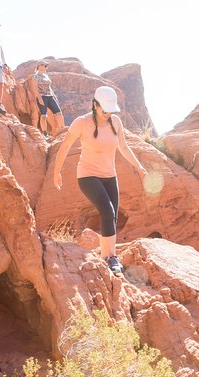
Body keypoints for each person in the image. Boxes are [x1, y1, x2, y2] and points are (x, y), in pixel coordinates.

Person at [53, 86, 147, 274]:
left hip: (109, 175)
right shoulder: (82, 123)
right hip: (88, 175)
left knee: (111, 215)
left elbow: (124, 147)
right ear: (95, 104)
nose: (108, 114)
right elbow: (64, 148)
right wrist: (57, 172)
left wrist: (140, 168)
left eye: (111, 110)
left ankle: (110, 256)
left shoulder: (116, 122)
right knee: (107, 210)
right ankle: (108, 258)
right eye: (104, 110)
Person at [32, 61, 65, 136]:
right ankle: (44, 132)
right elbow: (35, 88)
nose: (43, 66)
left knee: (58, 112)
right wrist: (39, 98)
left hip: (50, 96)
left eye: (45, 65)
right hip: (42, 97)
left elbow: (49, 87)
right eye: (42, 65)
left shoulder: (46, 76)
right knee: (43, 115)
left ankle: (63, 128)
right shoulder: (35, 76)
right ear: (38, 66)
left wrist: (54, 95)